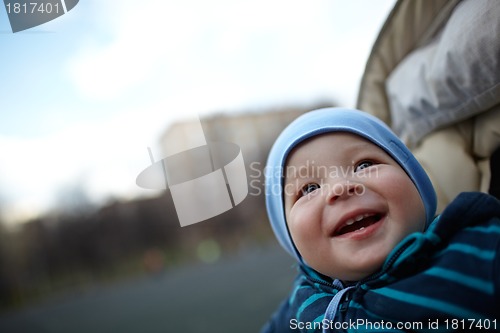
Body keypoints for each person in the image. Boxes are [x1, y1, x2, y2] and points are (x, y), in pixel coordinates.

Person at [261, 107, 500, 332]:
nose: (341, 187)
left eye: (364, 164)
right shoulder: (298, 303)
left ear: (414, 181)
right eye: (309, 188)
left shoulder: (477, 250)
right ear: (290, 236)